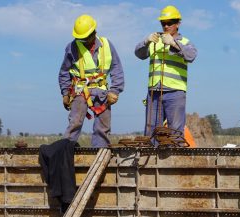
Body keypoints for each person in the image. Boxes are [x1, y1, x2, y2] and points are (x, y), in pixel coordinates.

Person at [59, 14, 124, 147]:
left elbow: (117, 68)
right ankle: (64, 153)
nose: (82, 41)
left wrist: (115, 90)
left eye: (85, 38)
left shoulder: (106, 44)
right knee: (75, 123)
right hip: (80, 90)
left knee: (103, 128)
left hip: (102, 92)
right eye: (80, 38)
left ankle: (99, 156)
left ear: (94, 33)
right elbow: (64, 71)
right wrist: (65, 93)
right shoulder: (72, 47)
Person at [134, 5, 197, 138]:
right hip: (154, 92)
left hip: (175, 92)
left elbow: (191, 55)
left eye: (170, 23)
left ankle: (175, 157)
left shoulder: (184, 42)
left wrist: (174, 43)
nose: (166, 26)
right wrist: (146, 41)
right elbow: (139, 54)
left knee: (175, 132)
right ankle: (152, 157)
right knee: (151, 131)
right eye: (163, 23)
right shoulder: (155, 41)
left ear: (178, 24)